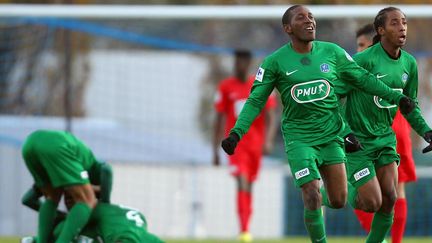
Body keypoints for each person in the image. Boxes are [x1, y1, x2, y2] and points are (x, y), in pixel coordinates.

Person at [220, 5, 415, 243]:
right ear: (288, 28)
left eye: (311, 16)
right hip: (299, 139)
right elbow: (254, 101)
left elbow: (363, 79)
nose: (309, 20)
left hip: (332, 136)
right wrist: (236, 134)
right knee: (311, 191)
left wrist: (398, 98)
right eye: (301, 17)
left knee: (338, 199)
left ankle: (335, 193)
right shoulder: (274, 62)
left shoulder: (332, 53)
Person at [334, 7, 432, 243]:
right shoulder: (362, 61)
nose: (402, 27)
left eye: (405, 22)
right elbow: (333, 97)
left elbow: (411, 106)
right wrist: (344, 131)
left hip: (386, 139)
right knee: (372, 201)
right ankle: (338, 193)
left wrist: (427, 131)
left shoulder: (409, 64)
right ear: (381, 30)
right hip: (358, 141)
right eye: (395, 23)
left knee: (390, 198)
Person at [351, 23, 420, 243]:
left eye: (362, 45)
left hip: (377, 131)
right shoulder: (400, 63)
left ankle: (378, 238)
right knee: (395, 191)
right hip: (397, 129)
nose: (358, 51)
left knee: (358, 187)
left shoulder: (363, 67)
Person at [213, 49, 277, 242]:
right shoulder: (225, 87)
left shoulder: (258, 85)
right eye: (236, 61)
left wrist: (268, 140)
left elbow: (271, 115)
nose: (239, 65)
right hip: (235, 145)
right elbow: (218, 118)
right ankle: (244, 230)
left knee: (249, 184)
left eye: (243, 62)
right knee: (241, 179)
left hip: (255, 145)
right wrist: (215, 150)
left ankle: (246, 225)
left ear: (248, 64)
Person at [22, 130, 100, 243]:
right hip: (55, 145)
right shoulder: (93, 166)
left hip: (29, 143)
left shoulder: (62, 218)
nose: (68, 200)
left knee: (51, 197)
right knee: (87, 200)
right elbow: (106, 171)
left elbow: (26, 199)